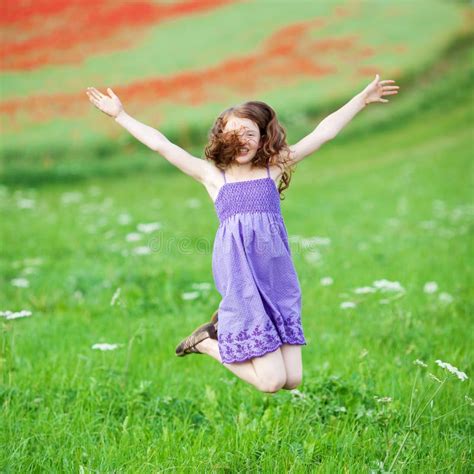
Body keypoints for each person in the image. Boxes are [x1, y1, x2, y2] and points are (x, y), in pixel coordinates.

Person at [86, 74, 399, 393]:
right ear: (222, 138)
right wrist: (121, 116)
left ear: (263, 138)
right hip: (243, 278)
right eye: (234, 133)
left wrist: (361, 99)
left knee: (293, 381)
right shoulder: (213, 177)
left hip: (277, 277)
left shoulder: (272, 168)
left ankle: (216, 338)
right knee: (272, 382)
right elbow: (161, 145)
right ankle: (208, 342)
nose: (242, 140)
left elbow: (323, 133)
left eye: (250, 133)